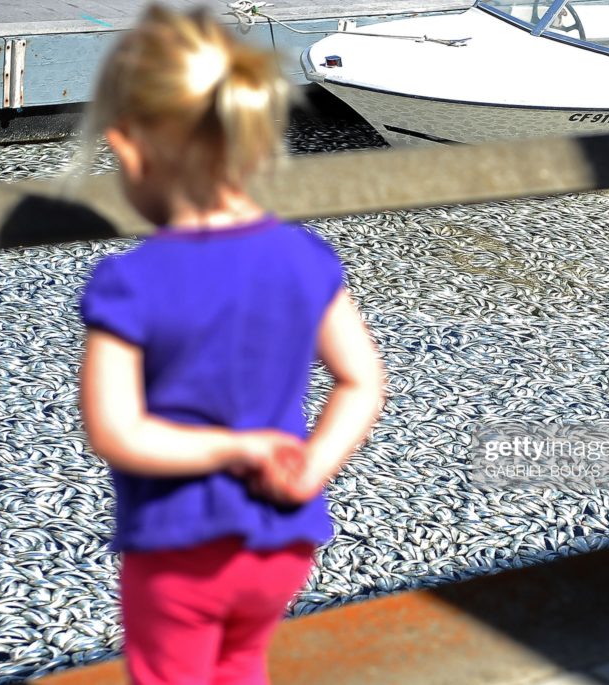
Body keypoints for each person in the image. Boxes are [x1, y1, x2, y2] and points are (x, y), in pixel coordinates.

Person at [75, 4, 386, 684]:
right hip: (285, 538)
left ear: (128, 148)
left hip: (181, 545)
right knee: (242, 665)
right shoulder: (305, 257)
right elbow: (362, 379)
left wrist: (233, 447)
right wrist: (311, 466)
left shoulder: (129, 282)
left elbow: (116, 430)